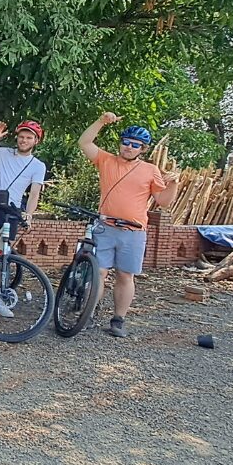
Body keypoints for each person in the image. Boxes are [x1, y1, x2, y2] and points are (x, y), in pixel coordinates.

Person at [78, 113, 180, 338]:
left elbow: (162, 201)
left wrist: (173, 184)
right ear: (120, 143)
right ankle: (88, 313)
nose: (129, 147)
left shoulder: (150, 170)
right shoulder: (106, 160)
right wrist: (101, 121)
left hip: (133, 232)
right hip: (106, 227)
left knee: (125, 276)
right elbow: (84, 142)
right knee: (100, 272)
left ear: (142, 149)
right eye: (126, 142)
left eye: (136, 145)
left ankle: (118, 319)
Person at [0, 120, 48, 317]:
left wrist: (29, 215)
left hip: (13, 209)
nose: (24, 140)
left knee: (3, 253)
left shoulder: (38, 166)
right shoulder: (4, 152)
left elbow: (34, 194)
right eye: (22, 136)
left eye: (29, 137)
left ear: (36, 141)